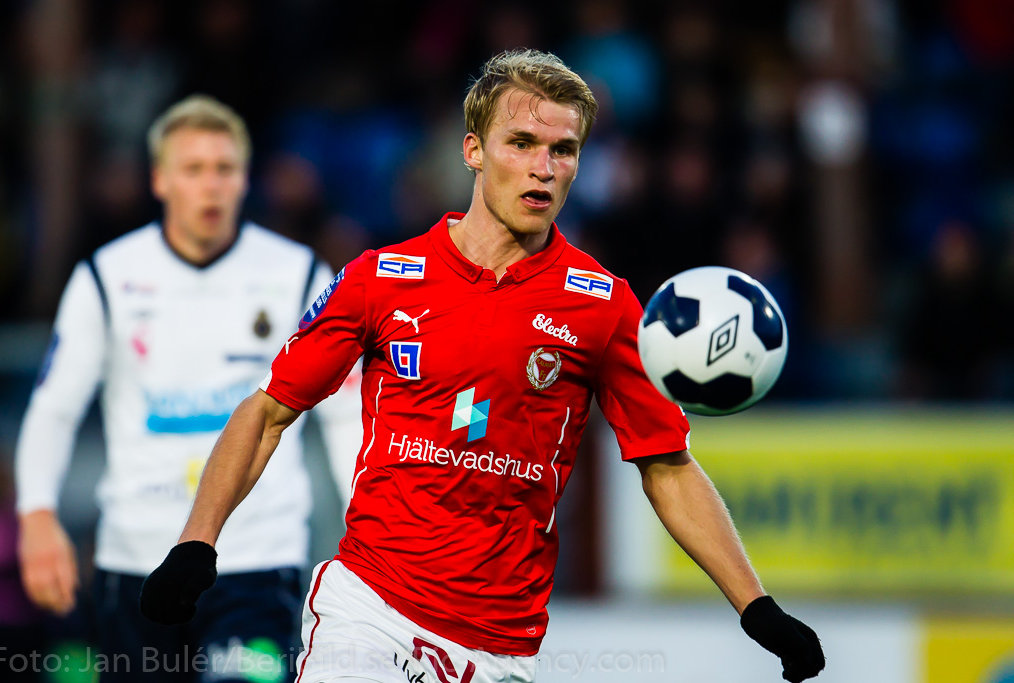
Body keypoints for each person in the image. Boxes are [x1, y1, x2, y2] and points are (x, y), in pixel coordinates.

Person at [141, 52, 825, 683]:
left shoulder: (604, 306)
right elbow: (268, 412)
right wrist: (197, 543)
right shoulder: (380, 279)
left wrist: (756, 607)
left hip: (500, 645)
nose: (543, 167)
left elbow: (668, 466)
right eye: (521, 143)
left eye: (563, 150)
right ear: (473, 150)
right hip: (369, 608)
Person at [15, 94, 361, 682]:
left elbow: (345, 414)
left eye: (224, 169)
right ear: (160, 179)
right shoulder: (107, 276)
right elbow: (55, 408)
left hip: (257, 558)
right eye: (193, 169)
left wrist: (366, 520)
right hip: (136, 557)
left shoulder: (298, 275)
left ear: (244, 179)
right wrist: (36, 515)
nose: (211, 186)